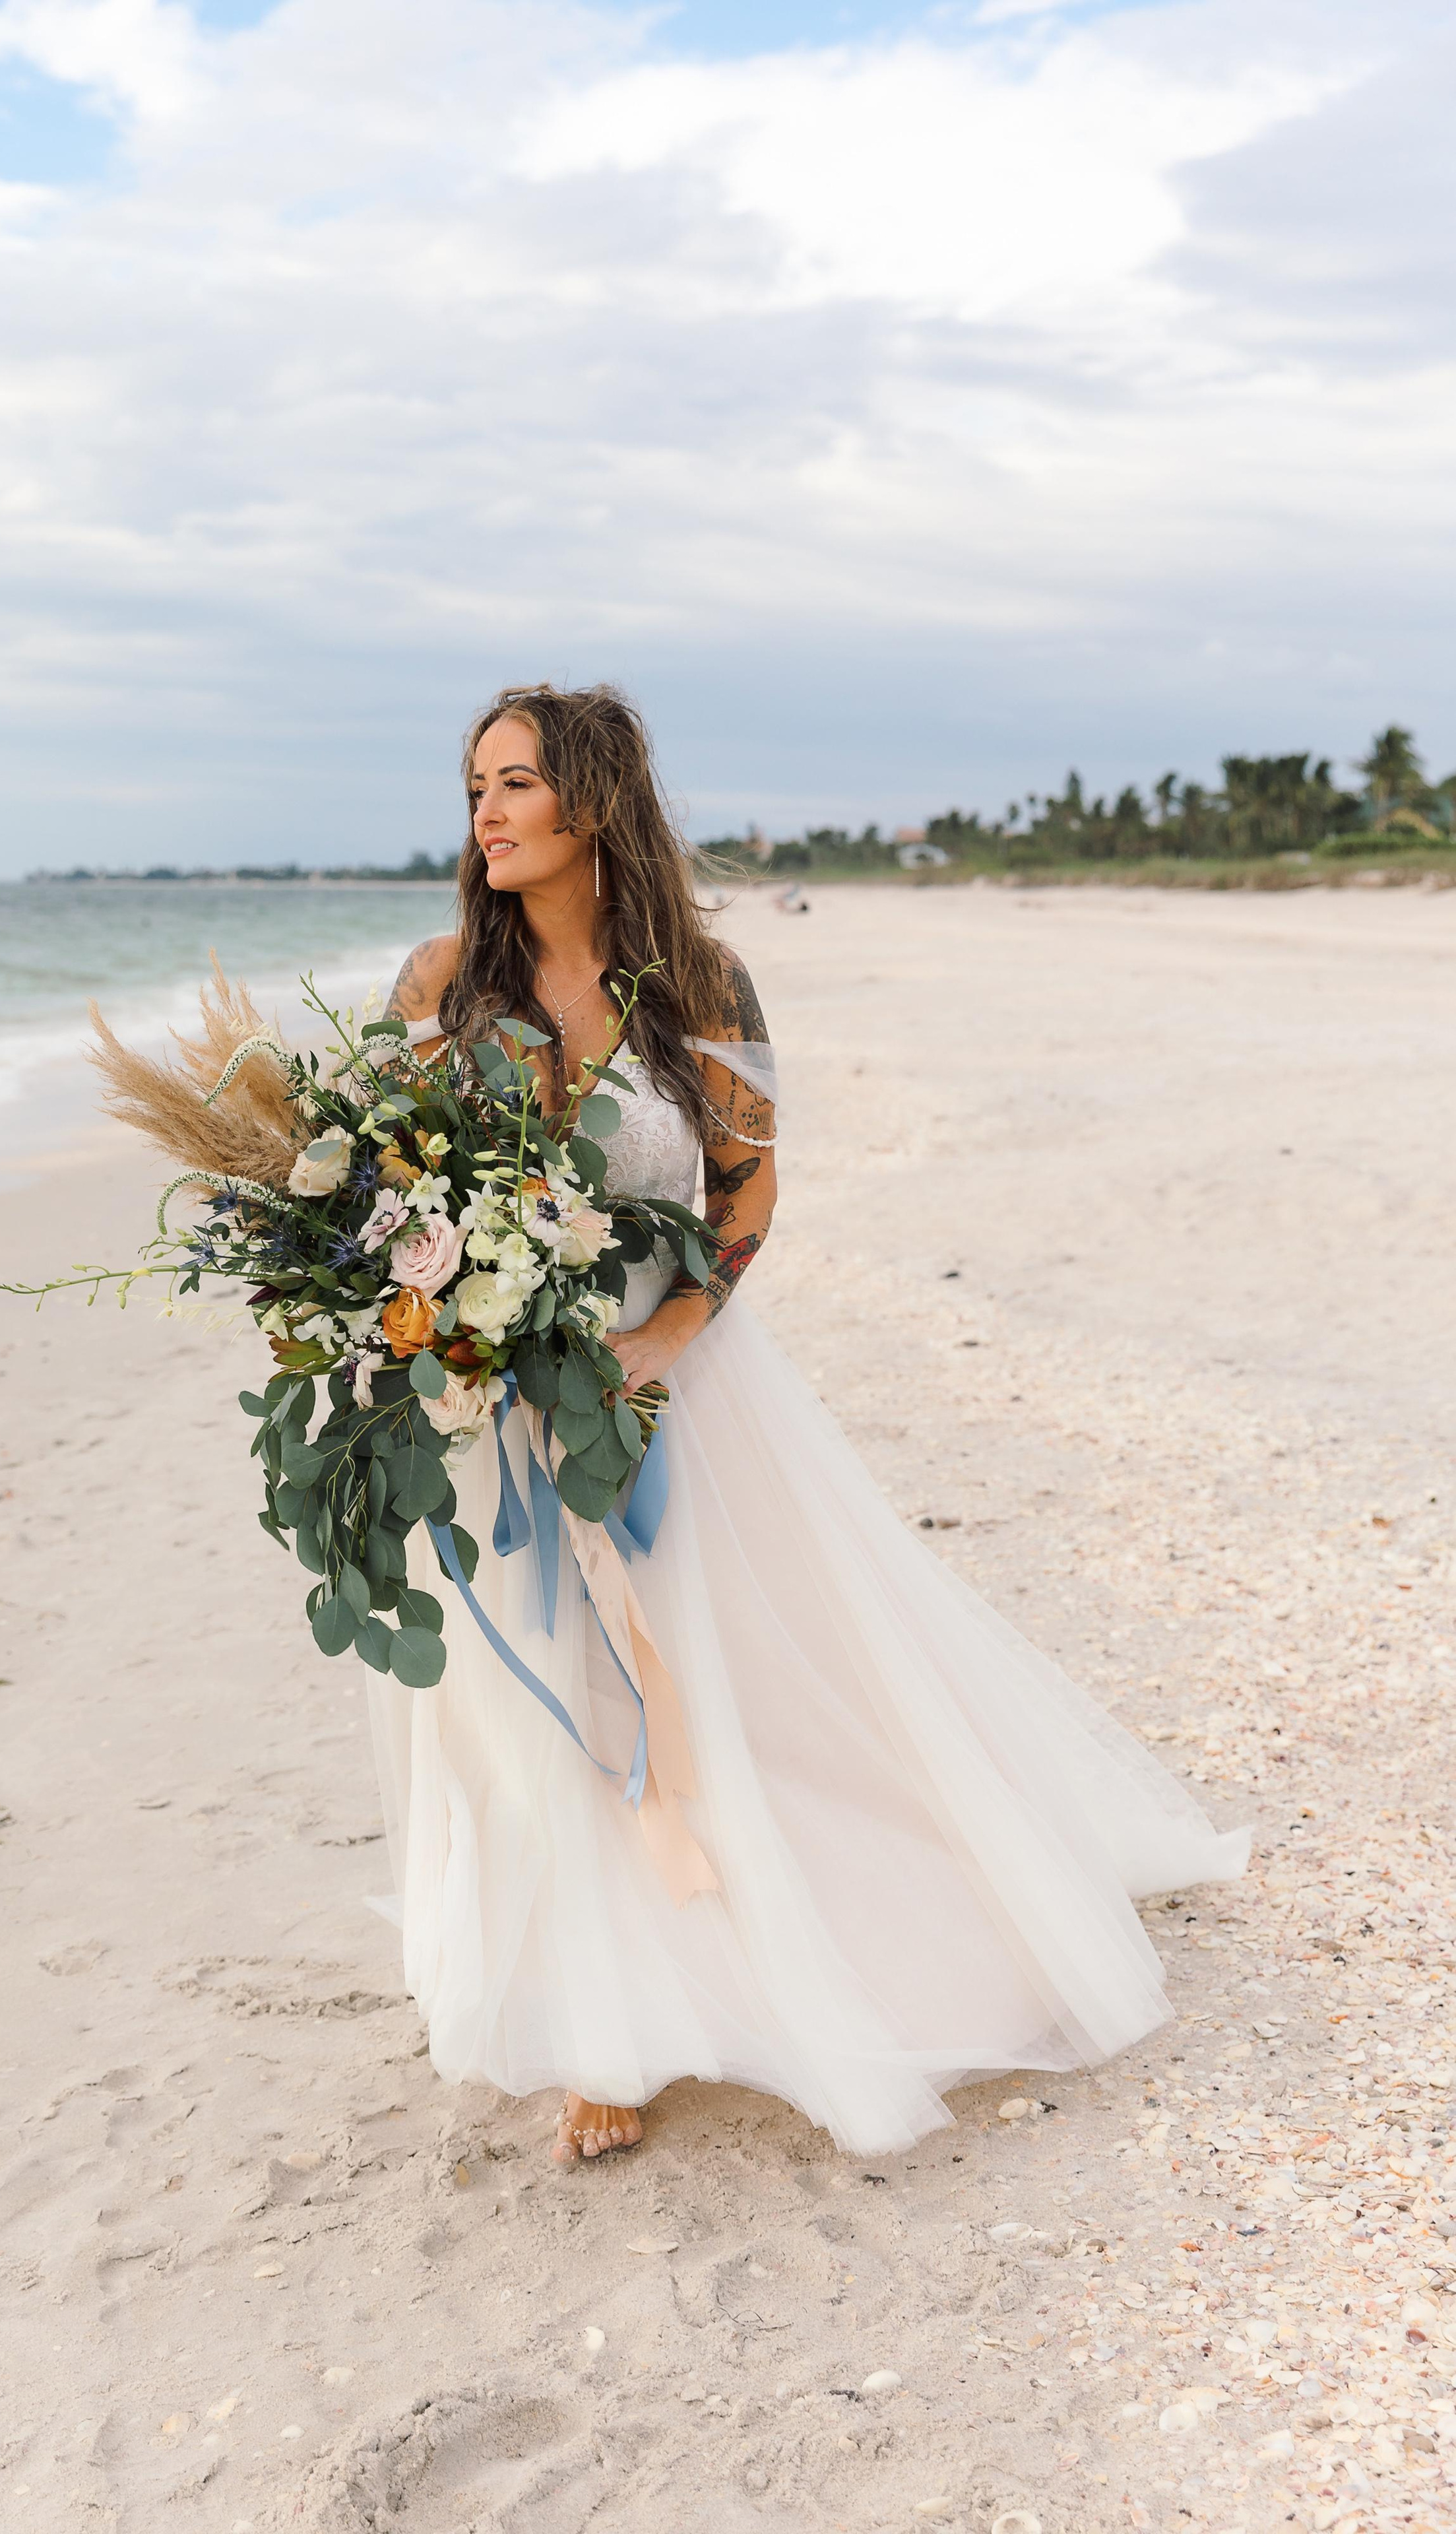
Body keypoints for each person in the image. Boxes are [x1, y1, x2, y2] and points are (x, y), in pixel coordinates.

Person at [369, 681, 1247, 2168]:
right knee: (531, 1707)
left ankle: (763, 1948)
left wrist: (660, 1339)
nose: (487, 814)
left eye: (515, 783)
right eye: (474, 790)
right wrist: (444, 1321)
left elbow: (745, 1195)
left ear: (593, 801)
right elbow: (399, 1197)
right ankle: (608, 2027)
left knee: (719, 1685)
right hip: (490, 1397)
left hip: (674, 1385)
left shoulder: (701, 983)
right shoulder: (440, 981)